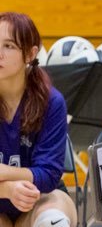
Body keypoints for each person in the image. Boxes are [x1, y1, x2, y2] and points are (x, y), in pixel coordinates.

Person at [0, 12, 77, 227]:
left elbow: (49, 175)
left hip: (37, 198)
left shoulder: (51, 102)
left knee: (54, 216)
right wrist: (8, 189)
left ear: (30, 54)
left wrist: (4, 172)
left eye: (9, 46)